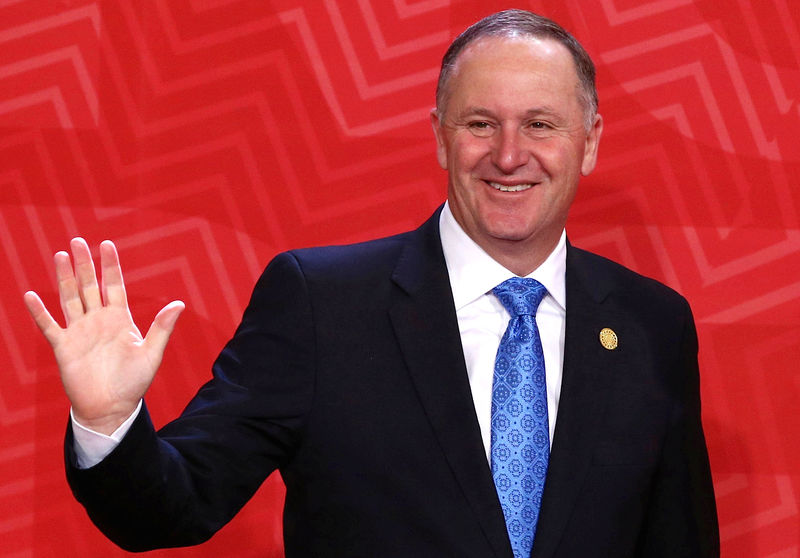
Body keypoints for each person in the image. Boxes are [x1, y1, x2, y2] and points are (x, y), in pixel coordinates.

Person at [24, 9, 719, 558]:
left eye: (540, 124)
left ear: (589, 140)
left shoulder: (651, 325)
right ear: (441, 137)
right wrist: (108, 423)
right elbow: (171, 509)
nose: (509, 154)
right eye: (480, 123)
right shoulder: (320, 305)